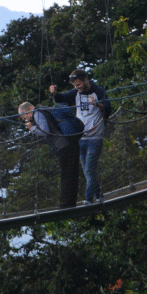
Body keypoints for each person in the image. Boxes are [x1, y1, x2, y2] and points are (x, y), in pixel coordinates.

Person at [49, 69, 112, 203]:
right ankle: (99, 195)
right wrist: (54, 93)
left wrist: (97, 104)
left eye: (79, 84)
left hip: (95, 137)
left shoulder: (99, 92)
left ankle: (88, 200)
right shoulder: (76, 93)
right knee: (86, 171)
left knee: (89, 170)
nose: (77, 87)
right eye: (74, 85)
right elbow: (62, 99)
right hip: (80, 138)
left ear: (86, 80)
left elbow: (108, 108)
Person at [18, 102, 80, 208]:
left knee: (66, 174)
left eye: (23, 117)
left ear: (25, 112)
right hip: (70, 143)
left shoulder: (37, 113)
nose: (25, 119)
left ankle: (66, 203)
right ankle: (70, 202)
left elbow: (45, 131)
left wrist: (32, 128)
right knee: (72, 173)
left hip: (63, 146)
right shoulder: (44, 109)